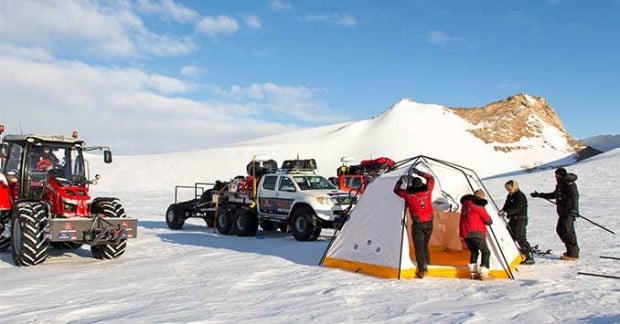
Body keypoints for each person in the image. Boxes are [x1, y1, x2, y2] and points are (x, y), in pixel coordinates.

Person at [531, 167, 580, 261]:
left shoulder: (569, 184)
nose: (555, 177)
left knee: (568, 232)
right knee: (560, 230)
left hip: (568, 212)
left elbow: (575, 196)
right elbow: (555, 195)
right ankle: (571, 251)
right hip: (562, 212)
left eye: (556, 175)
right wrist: (540, 195)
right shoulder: (561, 184)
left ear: (560, 175)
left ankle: (573, 254)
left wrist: (574, 210)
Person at [393, 167, 435, 278]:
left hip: (418, 224)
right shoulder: (428, 191)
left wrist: (400, 181)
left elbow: (396, 190)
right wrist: (420, 173)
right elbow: (431, 178)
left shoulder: (409, 195)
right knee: (425, 246)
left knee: (419, 247)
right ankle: (428, 264)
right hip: (429, 223)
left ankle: (423, 269)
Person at [459, 189, 493, 279]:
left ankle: (473, 272)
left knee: (474, 252)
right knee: (486, 252)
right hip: (476, 232)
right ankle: (484, 272)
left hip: (465, 232)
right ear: (481, 197)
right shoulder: (478, 205)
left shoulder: (465, 205)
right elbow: (488, 220)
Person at [499, 180, 534, 264]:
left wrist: (507, 212)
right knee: (508, 235)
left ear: (515, 187)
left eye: (510, 188)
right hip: (513, 219)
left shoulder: (520, 196)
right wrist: (502, 211)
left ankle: (529, 256)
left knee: (520, 237)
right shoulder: (510, 196)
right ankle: (514, 254)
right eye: (507, 189)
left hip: (520, 219)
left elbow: (517, 207)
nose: (508, 190)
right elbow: (506, 205)